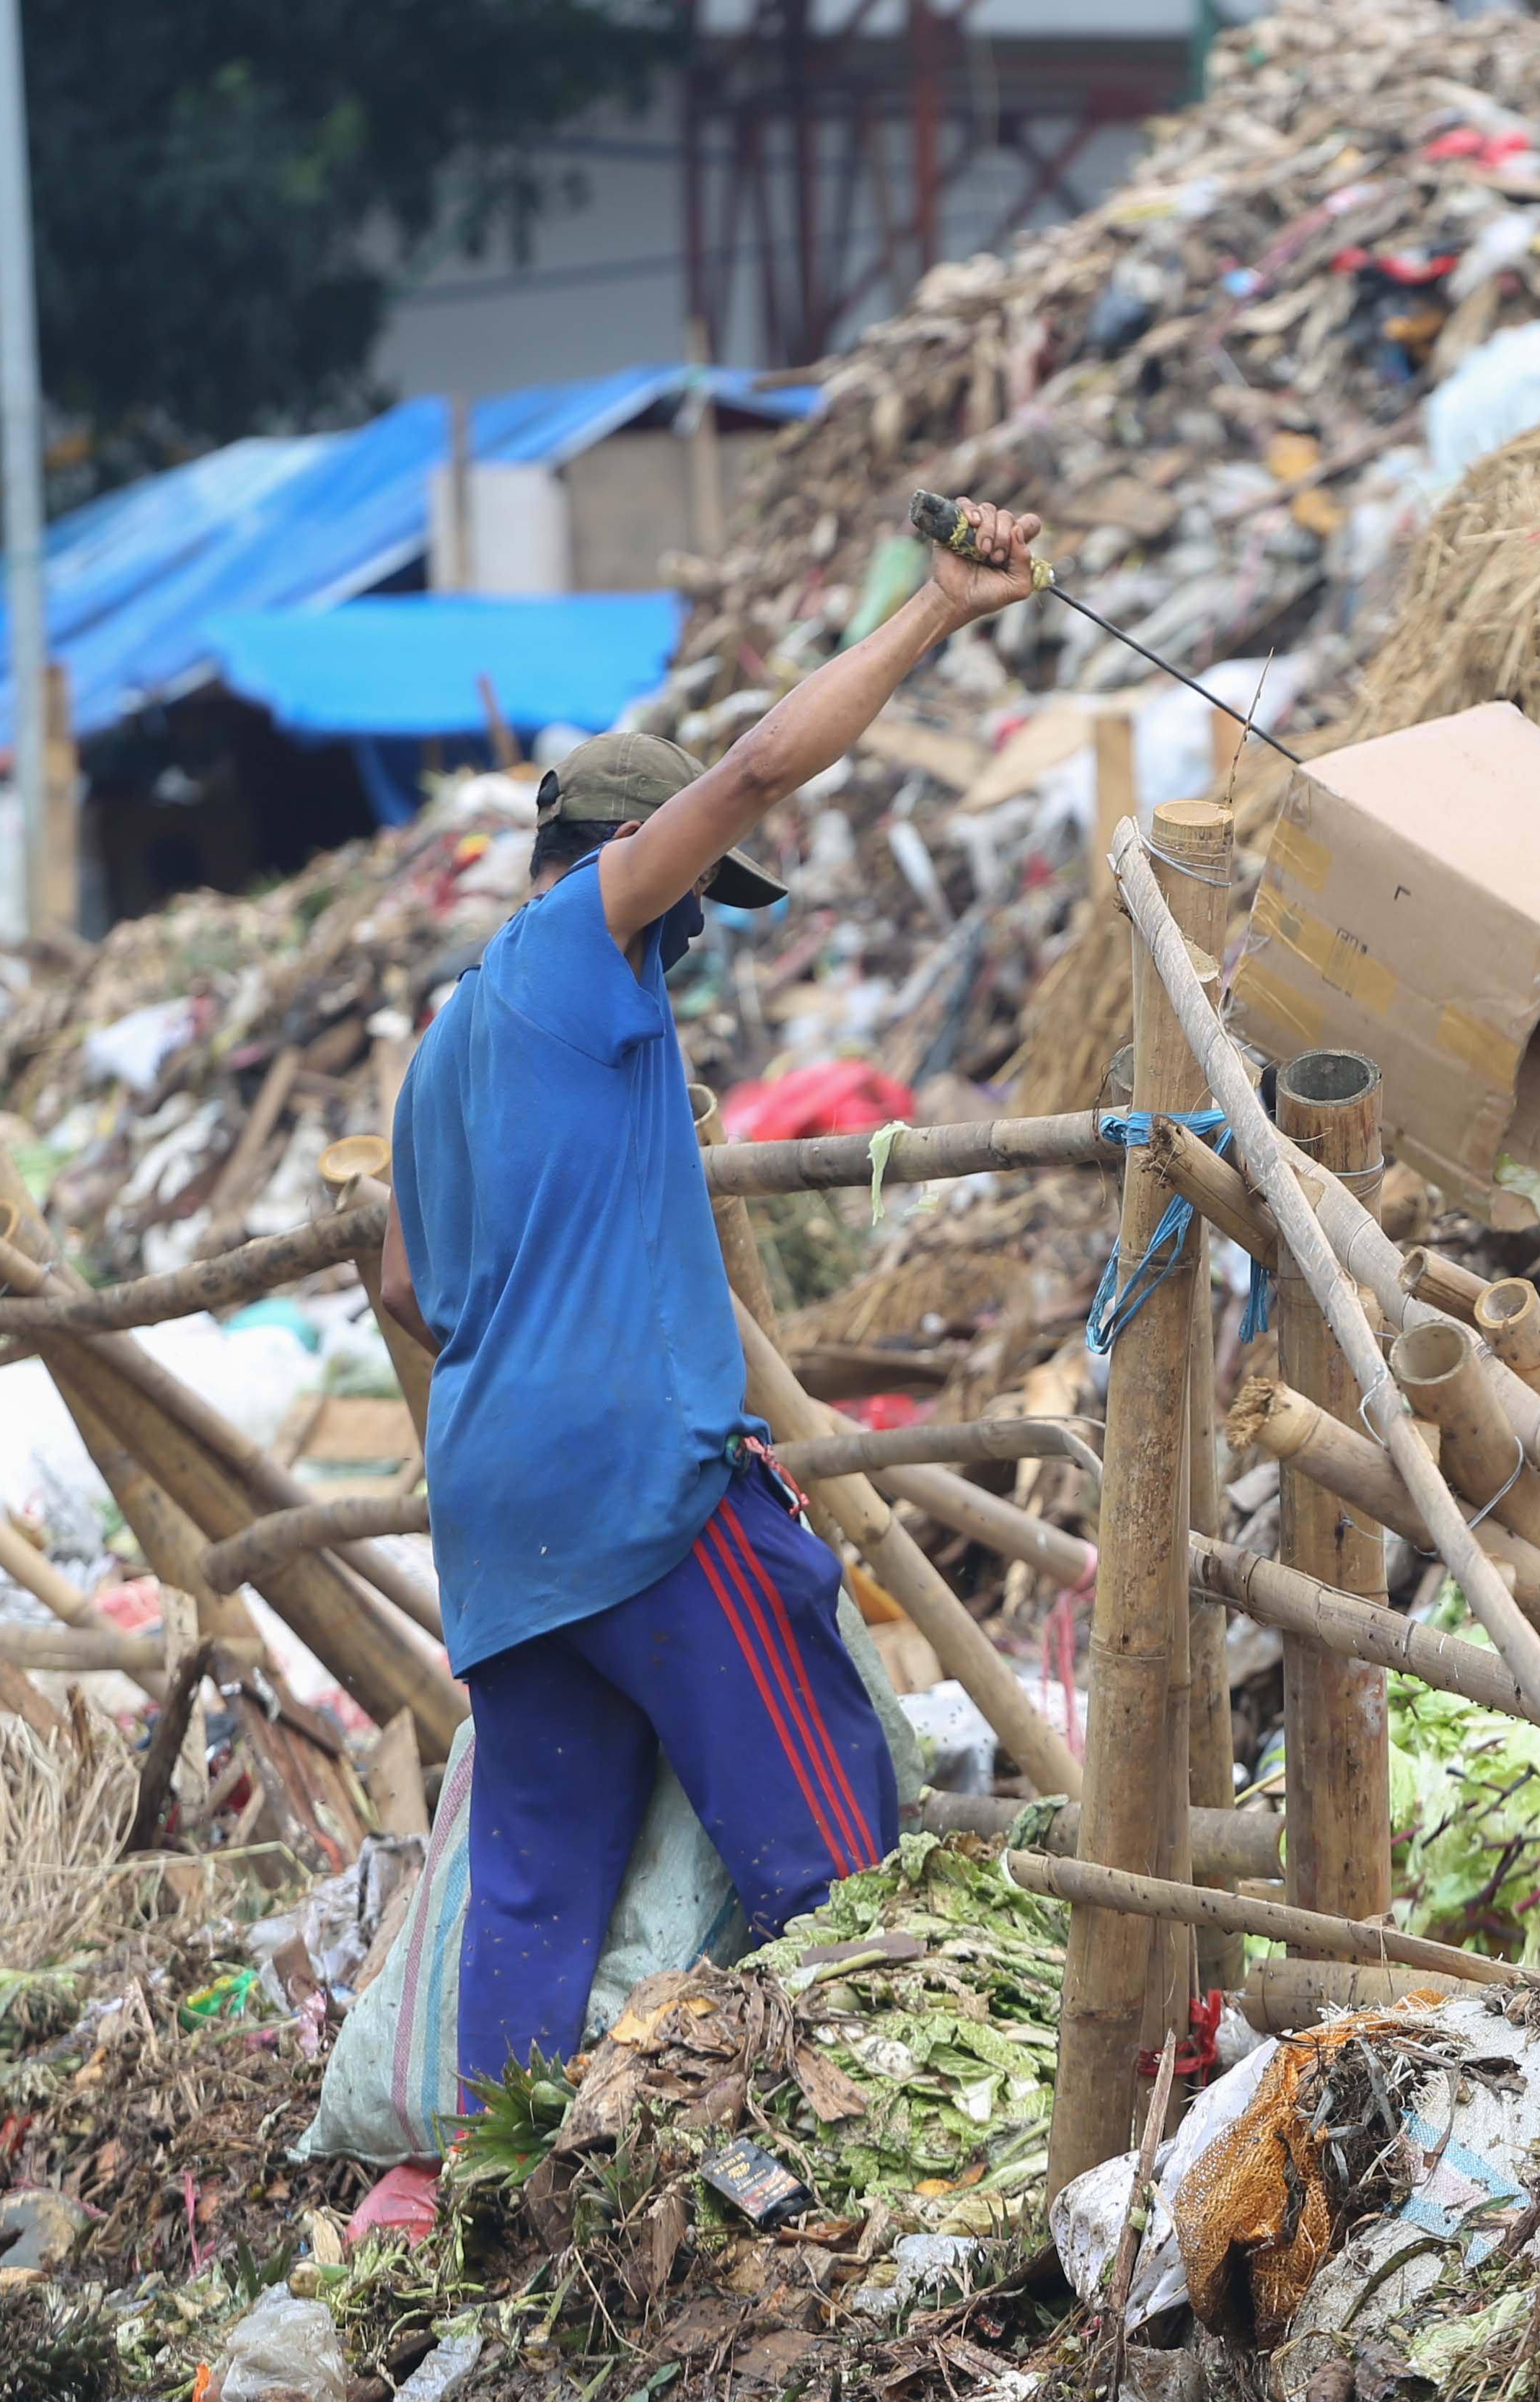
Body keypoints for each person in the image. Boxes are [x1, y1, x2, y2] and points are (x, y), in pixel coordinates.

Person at [375, 497, 1044, 2098]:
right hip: (636, 1484)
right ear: (630, 868)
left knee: (536, 1892)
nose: (687, 934)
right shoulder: (570, 947)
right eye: (684, 899)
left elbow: (405, 1284)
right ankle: (884, 2130)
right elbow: (753, 769)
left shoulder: (440, 1048)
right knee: (831, 1845)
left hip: (495, 1510)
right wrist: (935, 612)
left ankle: (496, 2193)